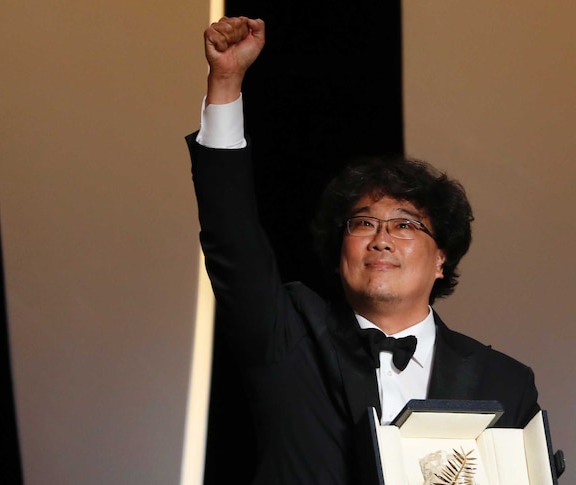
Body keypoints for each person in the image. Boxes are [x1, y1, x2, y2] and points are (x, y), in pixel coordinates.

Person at [186, 15, 541, 485]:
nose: (382, 237)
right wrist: (226, 82)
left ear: (441, 259)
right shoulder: (290, 336)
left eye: (406, 225)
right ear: (339, 254)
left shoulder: (505, 382)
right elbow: (232, 238)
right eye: (363, 223)